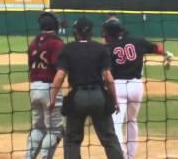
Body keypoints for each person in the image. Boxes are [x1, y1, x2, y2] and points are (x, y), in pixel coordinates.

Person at [48, 17, 124, 159]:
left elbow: (59, 76)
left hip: (78, 98)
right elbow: (108, 77)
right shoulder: (101, 48)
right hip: (99, 97)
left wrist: (52, 99)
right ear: (91, 33)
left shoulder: (67, 48)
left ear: (75, 32)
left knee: (72, 139)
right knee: (109, 139)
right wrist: (115, 100)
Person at [102, 19, 174, 159]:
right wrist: (166, 54)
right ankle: (130, 156)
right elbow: (156, 48)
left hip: (118, 87)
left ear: (109, 34)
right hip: (136, 87)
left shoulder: (108, 47)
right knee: (132, 120)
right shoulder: (138, 41)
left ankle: (119, 154)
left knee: (116, 123)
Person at [25, 12, 65, 159]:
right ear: (55, 26)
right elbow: (59, 70)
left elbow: (31, 68)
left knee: (38, 128)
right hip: (49, 88)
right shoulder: (57, 43)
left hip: (34, 88)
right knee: (54, 131)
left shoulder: (33, 43)